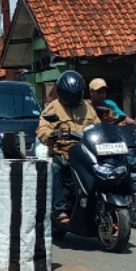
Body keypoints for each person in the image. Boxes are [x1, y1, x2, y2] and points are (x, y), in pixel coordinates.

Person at [36, 71, 100, 227]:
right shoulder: (53, 108)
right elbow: (42, 130)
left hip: (86, 153)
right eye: (69, 95)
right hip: (64, 154)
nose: (72, 99)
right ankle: (60, 209)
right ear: (61, 93)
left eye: (76, 95)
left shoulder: (87, 107)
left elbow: (98, 126)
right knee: (53, 169)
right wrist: (52, 134)